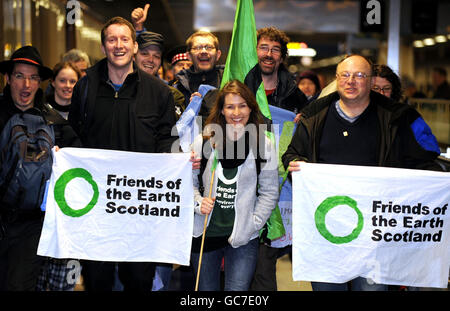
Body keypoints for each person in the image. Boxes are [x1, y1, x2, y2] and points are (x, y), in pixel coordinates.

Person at [282, 54, 442, 291]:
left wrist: (431, 185)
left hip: (375, 240)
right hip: (327, 236)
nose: (351, 81)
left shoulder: (397, 118)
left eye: (359, 75)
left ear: (369, 81)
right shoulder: (314, 116)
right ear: (336, 80)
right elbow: (291, 154)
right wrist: (295, 162)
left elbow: (424, 162)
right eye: (345, 75)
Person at [68, 16, 177, 291]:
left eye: (124, 39)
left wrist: (178, 163)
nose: (119, 46)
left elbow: (167, 140)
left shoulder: (158, 92)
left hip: (140, 206)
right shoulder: (86, 86)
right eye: (112, 40)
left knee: (139, 280)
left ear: (135, 46)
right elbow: (74, 135)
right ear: (103, 47)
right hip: (96, 206)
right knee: (97, 279)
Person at [0, 45, 80, 291]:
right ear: (7, 78)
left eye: (33, 78)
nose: (26, 85)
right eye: (20, 76)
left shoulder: (54, 122)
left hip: (32, 225)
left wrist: (63, 158)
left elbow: (80, 161)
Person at [190, 80, 279, 291]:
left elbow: (270, 191)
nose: (236, 112)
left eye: (242, 105)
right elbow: (188, 183)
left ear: (251, 108)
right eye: (230, 106)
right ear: (221, 109)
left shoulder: (263, 144)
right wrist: (198, 203)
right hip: (204, 234)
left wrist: (253, 223)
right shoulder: (204, 140)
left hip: (243, 238)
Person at [248, 26, 307, 291]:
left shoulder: (297, 98)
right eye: (264, 48)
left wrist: (304, 125)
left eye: (275, 50)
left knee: (262, 266)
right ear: (255, 51)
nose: (269, 54)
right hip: (242, 188)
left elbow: (307, 141)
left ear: (282, 57)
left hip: (278, 193)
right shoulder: (238, 88)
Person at [372, 64, 440, 156]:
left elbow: (431, 148)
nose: (381, 93)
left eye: (386, 89)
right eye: (375, 88)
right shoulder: (357, 114)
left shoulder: (407, 115)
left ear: (393, 91)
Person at [173, 30, 224, 108]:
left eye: (209, 47)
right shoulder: (178, 88)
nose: (203, 51)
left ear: (218, 55)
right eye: (197, 48)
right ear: (189, 56)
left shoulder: (228, 83)